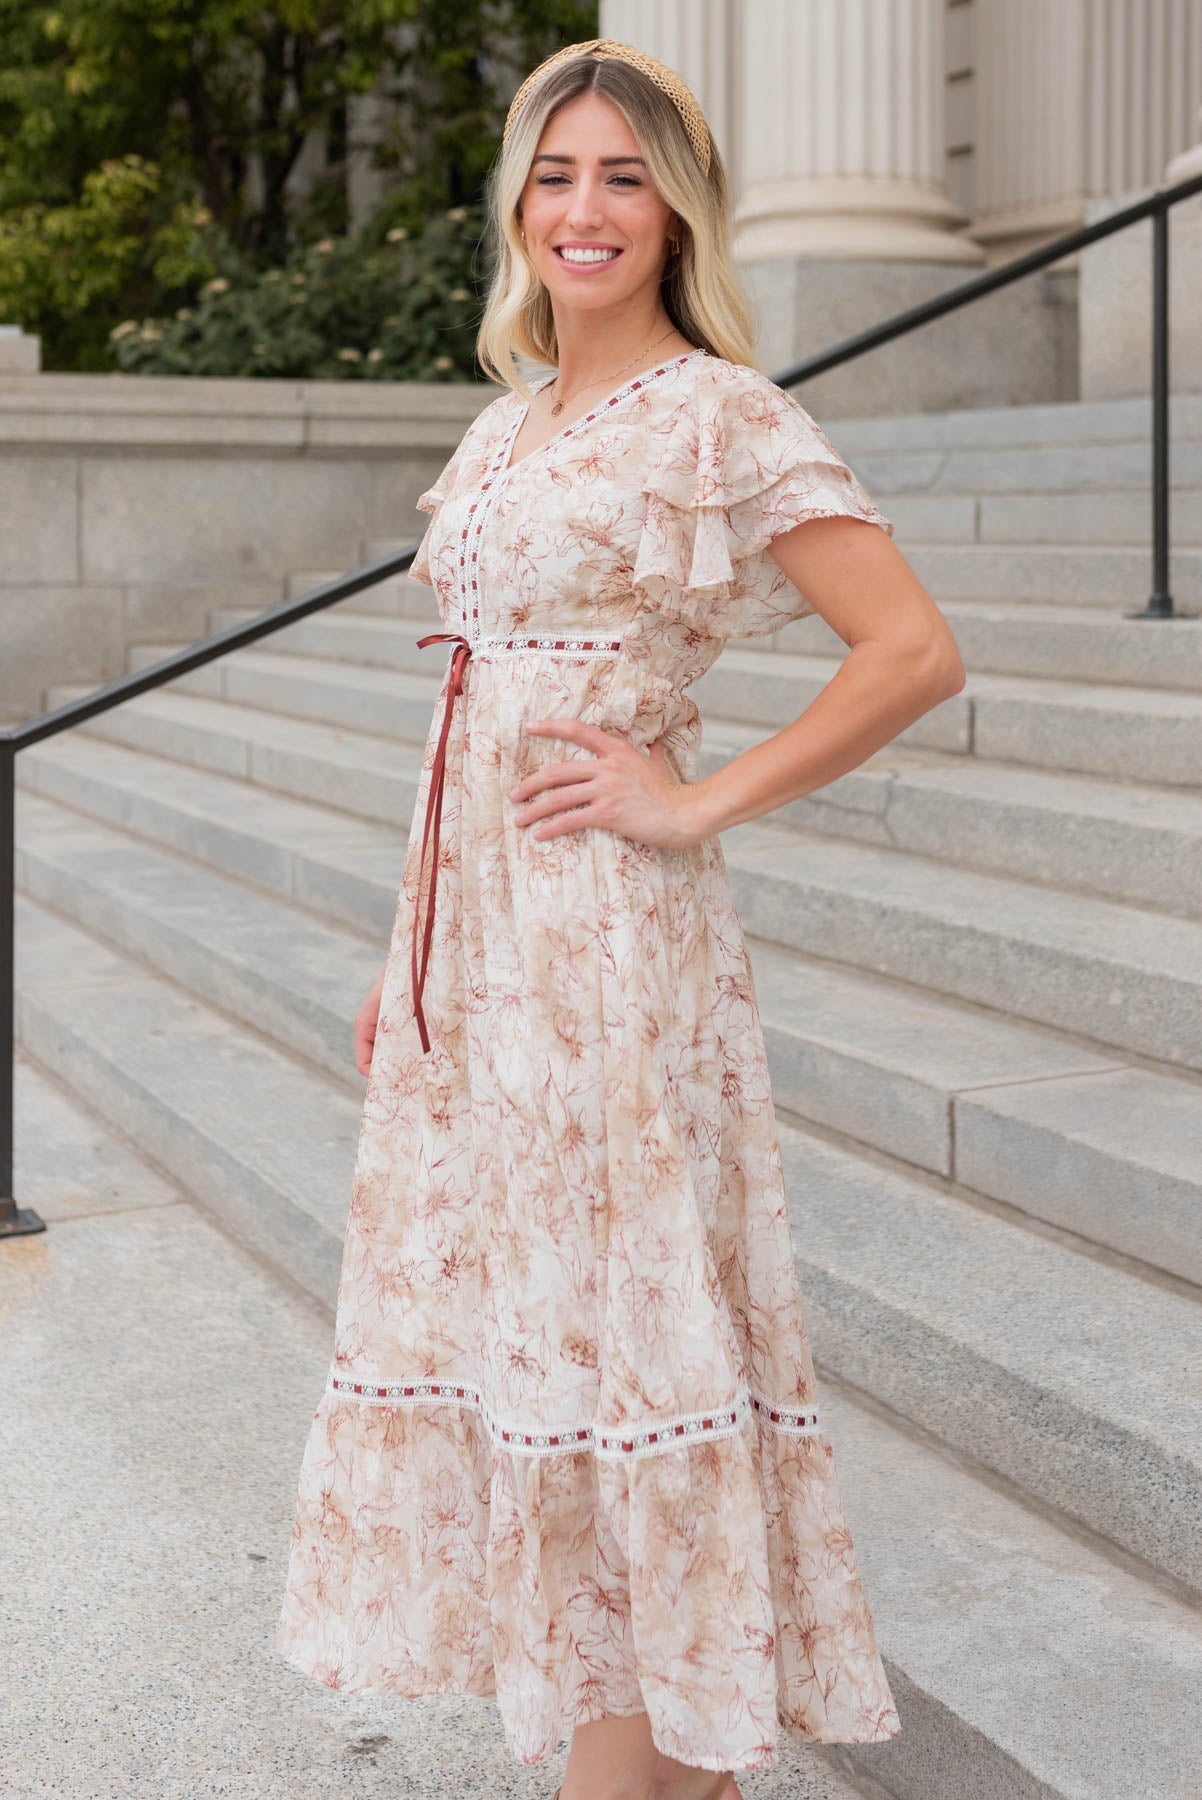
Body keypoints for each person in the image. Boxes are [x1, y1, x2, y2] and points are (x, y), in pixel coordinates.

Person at [275, 36, 965, 1800]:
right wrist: (402, 948)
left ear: (676, 211)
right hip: (477, 956)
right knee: (531, 1339)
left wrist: (689, 798)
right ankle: (673, 1766)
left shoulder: (719, 413)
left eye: (624, 178)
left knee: (611, 1342)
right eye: (558, 174)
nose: (585, 210)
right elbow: (468, 709)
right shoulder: (508, 422)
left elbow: (908, 652)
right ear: (518, 198)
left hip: (606, 947)